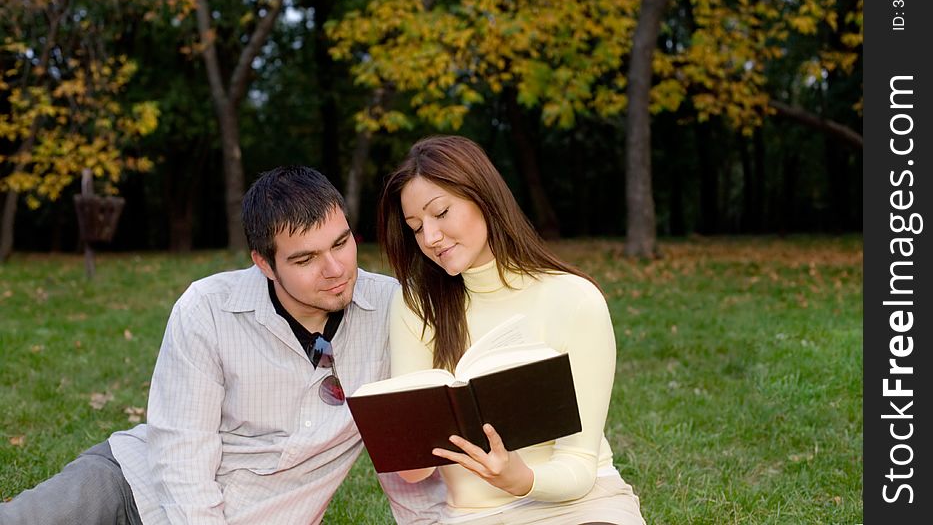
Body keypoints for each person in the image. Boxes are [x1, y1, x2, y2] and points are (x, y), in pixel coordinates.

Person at [0, 166, 446, 525]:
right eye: (305, 259)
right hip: (132, 487)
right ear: (264, 264)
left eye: (341, 243)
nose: (334, 268)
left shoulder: (394, 311)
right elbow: (181, 452)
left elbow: (410, 465)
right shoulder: (207, 308)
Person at [376, 136, 645, 525]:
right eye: (416, 228)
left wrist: (519, 478)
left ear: (482, 197)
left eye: (441, 213)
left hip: (583, 505)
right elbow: (414, 468)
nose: (430, 238)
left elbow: (579, 465)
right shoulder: (417, 305)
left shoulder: (575, 299)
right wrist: (405, 445)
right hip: (476, 516)